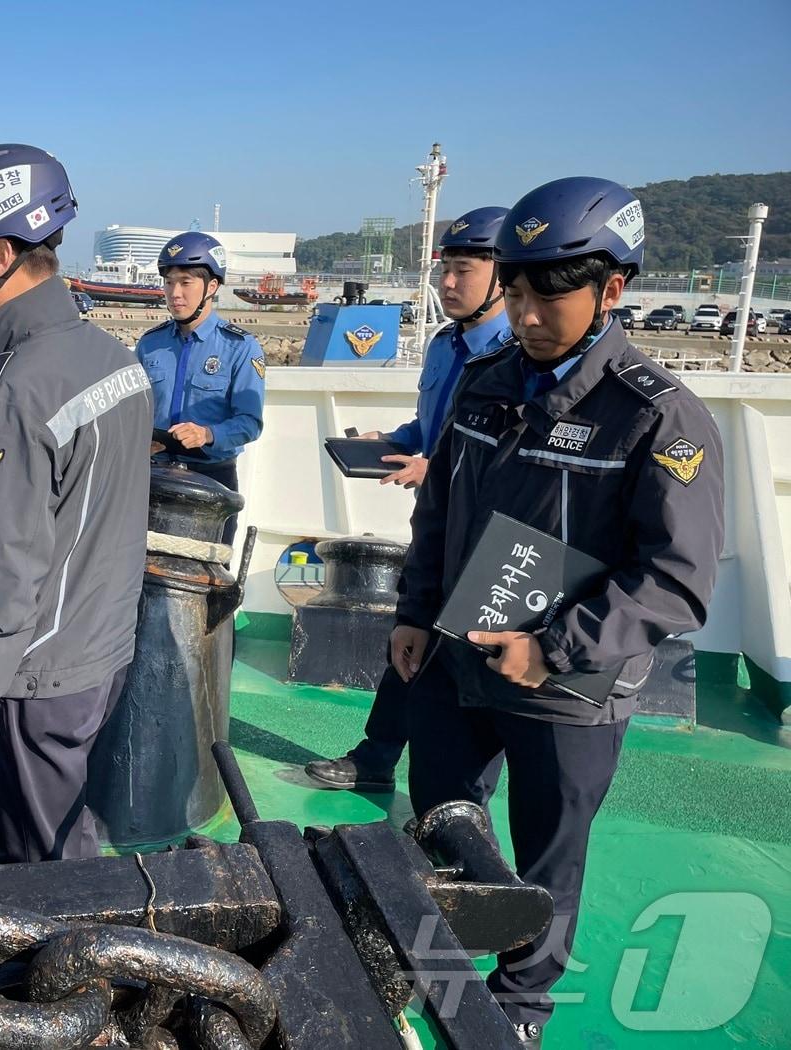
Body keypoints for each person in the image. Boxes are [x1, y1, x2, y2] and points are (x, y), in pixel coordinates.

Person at [395, 177, 724, 1045]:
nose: (527, 312)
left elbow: (678, 577)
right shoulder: (487, 382)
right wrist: (415, 611)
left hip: (566, 688)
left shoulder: (660, 419)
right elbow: (440, 513)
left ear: (611, 290)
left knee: (547, 859)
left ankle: (521, 1011)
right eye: (515, 288)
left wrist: (556, 646)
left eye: (550, 292)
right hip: (457, 656)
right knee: (439, 811)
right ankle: (439, 960)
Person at [0, 143, 152, 863]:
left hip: (37, 675)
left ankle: (65, 975)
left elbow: (5, 565)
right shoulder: (116, 360)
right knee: (68, 831)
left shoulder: (15, 391)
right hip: (103, 650)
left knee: (40, 867)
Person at [306, 206, 512, 792]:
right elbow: (435, 427)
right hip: (437, 525)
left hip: (488, 535)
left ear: (503, 274)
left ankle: (463, 799)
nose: (447, 283)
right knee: (411, 634)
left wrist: (436, 466)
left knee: (475, 663)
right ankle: (375, 758)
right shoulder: (447, 345)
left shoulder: (518, 356)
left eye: (464, 269)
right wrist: (394, 443)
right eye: (444, 269)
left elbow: (507, 458)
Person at [134, 231, 265, 544]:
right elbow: (132, 409)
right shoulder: (150, 345)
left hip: (211, 481)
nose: (175, 293)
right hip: (154, 476)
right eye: (169, 282)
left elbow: (249, 422)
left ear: (212, 287)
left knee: (206, 583)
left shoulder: (241, 347)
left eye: (185, 282)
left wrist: (207, 435)